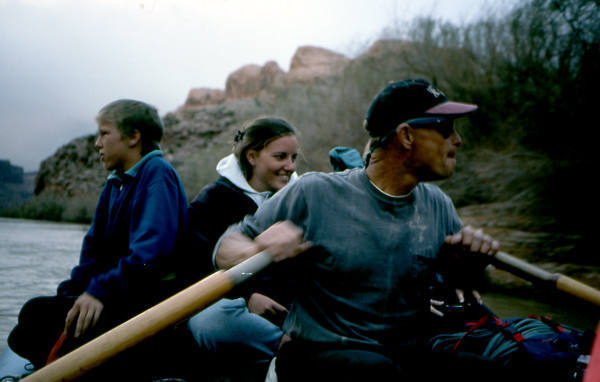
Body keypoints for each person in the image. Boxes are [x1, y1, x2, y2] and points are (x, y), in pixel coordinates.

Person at [214, 79, 513, 381]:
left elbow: (462, 294)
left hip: (405, 351)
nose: (457, 140)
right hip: (319, 352)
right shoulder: (314, 192)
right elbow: (224, 250)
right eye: (446, 129)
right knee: (378, 372)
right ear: (407, 135)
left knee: (490, 373)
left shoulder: (438, 205)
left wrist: (470, 265)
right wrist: (256, 250)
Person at [6, 99, 189, 378]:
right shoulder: (115, 183)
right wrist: (73, 292)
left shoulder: (157, 175)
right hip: (120, 294)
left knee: (39, 320)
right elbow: (93, 253)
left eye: (104, 133)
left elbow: (150, 255)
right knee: (35, 314)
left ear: (133, 137)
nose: (97, 143)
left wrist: (100, 292)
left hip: (148, 302)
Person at [186, 117, 299, 377]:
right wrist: (249, 296)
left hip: (290, 309)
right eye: (281, 157)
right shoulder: (213, 201)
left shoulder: (301, 198)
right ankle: (289, 354)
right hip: (231, 305)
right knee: (209, 321)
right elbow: (197, 266)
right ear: (252, 156)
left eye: (294, 158)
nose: (290, 167)